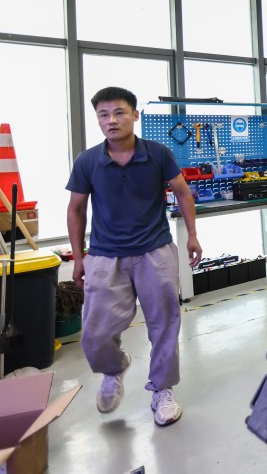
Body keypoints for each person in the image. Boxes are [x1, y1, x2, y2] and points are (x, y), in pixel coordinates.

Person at [66, 86, 202, 427]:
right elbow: (76, 209)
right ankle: (114, 368)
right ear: (98, 119)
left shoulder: (158, 154)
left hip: (154, 251)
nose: (111, 120)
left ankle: (162, 390)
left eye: (119, 112)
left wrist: (192, 235)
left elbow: (183, 192)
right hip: (105, 256)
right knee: (95, 333)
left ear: (135, 115)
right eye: (103, 115)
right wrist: (79, 258)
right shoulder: (87, 161)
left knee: (164, 324)